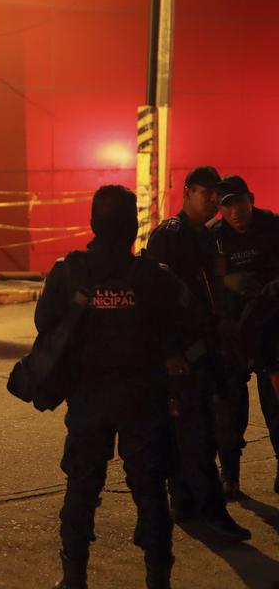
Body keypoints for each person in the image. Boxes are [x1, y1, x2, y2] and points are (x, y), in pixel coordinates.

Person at [37, 185, 189, 589]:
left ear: (92, 223)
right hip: (143, 396)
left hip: (88, 395)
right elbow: (183, 329)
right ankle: (158, 577)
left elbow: (46, 326)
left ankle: (74, 577)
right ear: (134, 227)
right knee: (150, 488)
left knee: (82, 486)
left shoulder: (67, 272)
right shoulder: (156, 277)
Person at [146, 167, 251, 540]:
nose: (212, 202)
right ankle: (208, 511)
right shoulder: (169, 236)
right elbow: (155, 300)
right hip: (181, 353)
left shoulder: (204, 237)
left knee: (198, 428)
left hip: (205, 348)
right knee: (194, 432)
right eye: (206, 194)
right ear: (188, 192)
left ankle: (187, 504)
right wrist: (170, 351)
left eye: (215, 196)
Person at [210, 174, 279, 499]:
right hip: (232, 333)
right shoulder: (214, 237)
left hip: (270, 330)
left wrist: (264, 289)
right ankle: (230, 474)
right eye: (226, 205)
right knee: (230, 407)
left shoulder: (272, 226)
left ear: (250, 197)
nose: (235, 210)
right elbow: (205, 282)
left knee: (275, 403)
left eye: (238, 201)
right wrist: (229, 285)